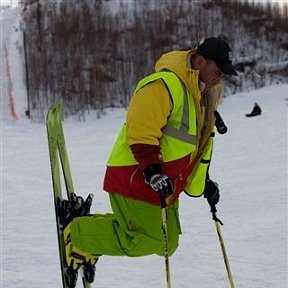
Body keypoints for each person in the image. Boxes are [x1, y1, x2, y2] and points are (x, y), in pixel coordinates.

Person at [62, 36, 238, 281]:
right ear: (200, 61)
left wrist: (203, 183)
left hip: (164, 186)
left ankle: (90, 237)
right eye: (218, 71)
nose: (220, 78)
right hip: (137, 176)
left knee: (168, 241)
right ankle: (79, 235)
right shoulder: (165, 83)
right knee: (152, 240)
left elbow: (189, 149)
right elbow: (142, 127)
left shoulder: (198, 97)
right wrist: (153, 171)